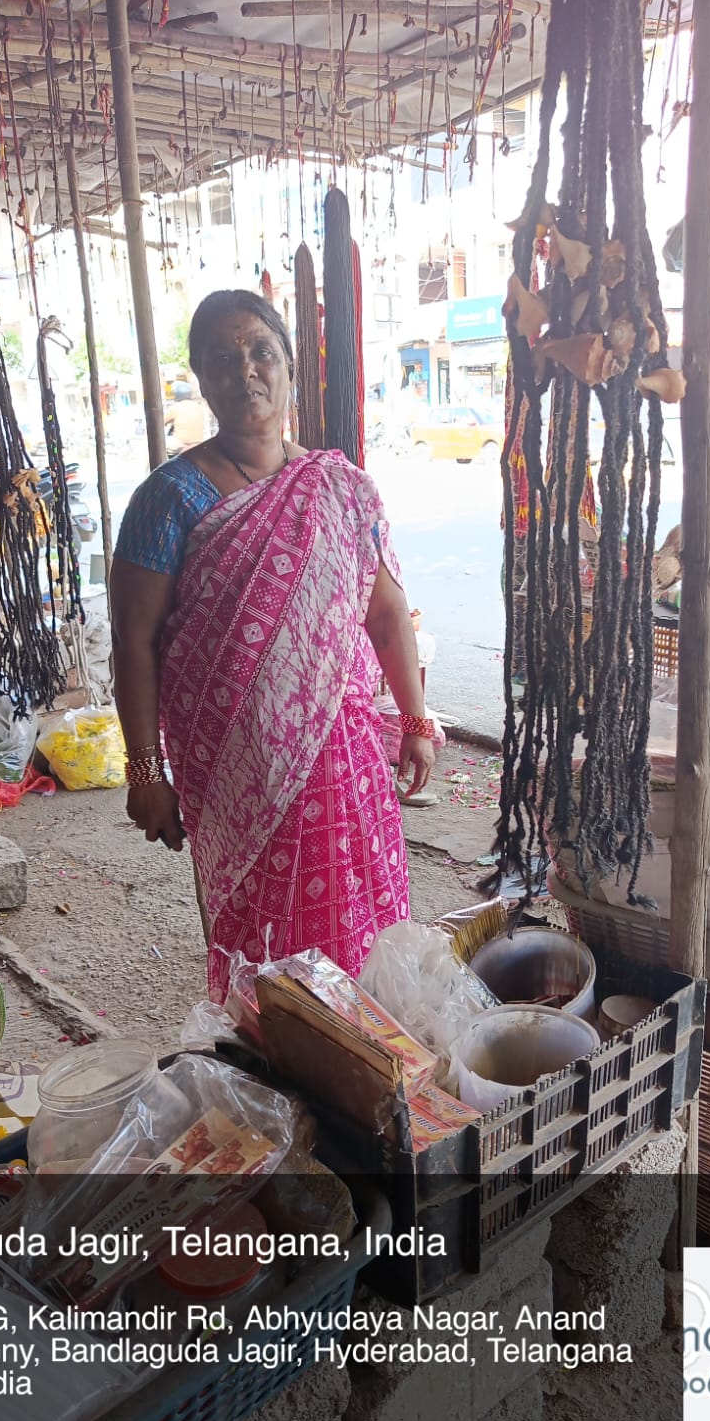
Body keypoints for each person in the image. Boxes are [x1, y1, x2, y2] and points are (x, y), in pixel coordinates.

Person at [111, 289, 434, 1004]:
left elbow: (386, 613)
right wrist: (144, 772)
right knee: (264, 948)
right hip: (235, 775)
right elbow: (134, 645)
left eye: (261, 352)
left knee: (364, 928)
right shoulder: (168, 499)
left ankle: (367, 1042)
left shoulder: (340, 487)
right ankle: (276, 1053)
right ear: (202, 378)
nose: (247, 371)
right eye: (224, 360)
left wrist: (414, 718)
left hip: (344, 761)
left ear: (290, 367)